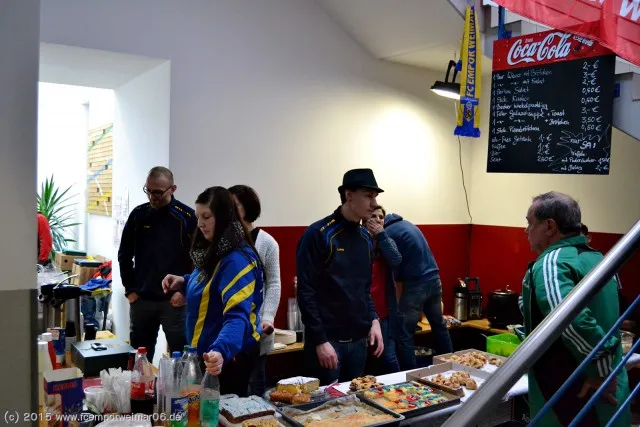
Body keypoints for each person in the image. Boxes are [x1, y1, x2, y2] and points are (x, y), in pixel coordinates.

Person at [522, 191, 630, 426]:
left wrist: (600, 371)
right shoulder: (600, 259)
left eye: (530, 223)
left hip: (579, 389)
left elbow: (571, 320)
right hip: (611, 383)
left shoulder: (552, 263)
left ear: (550, 226)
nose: (526, 230)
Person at [162, 186, 264, 397]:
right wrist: (184, 281)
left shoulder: (237, 259)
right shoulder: (214, 247)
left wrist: (220, 350)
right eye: (198, 216)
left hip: (226, 358)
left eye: (206, 217)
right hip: (207, 354)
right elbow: (210, 284)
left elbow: (237, 317)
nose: (200, 223)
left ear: (224, 217)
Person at [297, 168, 384, 385]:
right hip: (328, 343)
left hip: (359, 342)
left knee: (353, 403)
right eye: (368, 196)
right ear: (349, 195)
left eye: (375, 197)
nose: (374, 203)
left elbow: (364, 289)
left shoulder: (366, 238)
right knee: (324, 404)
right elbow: (305, 292)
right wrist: (320, 341)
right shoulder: (319, 234)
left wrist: (374, 320)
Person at [118, 167, 196, 361]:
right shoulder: (138, 215)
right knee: (139, 362)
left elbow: (199, 262)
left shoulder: (186, 218)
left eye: (158, 192)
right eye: (149, 191)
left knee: (181, 360)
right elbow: (124, 254)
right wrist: (130, 290)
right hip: (142, 301)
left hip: (174, 302)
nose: (153, 197)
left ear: (172, 189)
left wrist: (185, 292)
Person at [229, 184, 281, 397]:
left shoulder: (267, 242)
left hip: (256, 328)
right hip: (228, 325)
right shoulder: (223, 240)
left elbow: (274, 283)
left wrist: (267, 318)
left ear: (247, 207)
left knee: (255, 387)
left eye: (235, 205)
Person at [384, 213, 453, 369]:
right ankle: (450, 367)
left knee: (405, 333)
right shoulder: (408, 225)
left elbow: (395, 267)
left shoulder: (388, 233)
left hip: (416, 284)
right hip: (434, 278)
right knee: (439, 325)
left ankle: (411, 374)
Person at [365, 205, 401, 374]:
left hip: (385, 312)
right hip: (365, 311)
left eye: (381, 217)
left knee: (389, 357)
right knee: (367, 359)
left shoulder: (386, 241)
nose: (378, 220)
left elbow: (396, 259)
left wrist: (381, 235)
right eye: (373, 216)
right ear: (364, 220)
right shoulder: (359, 241)